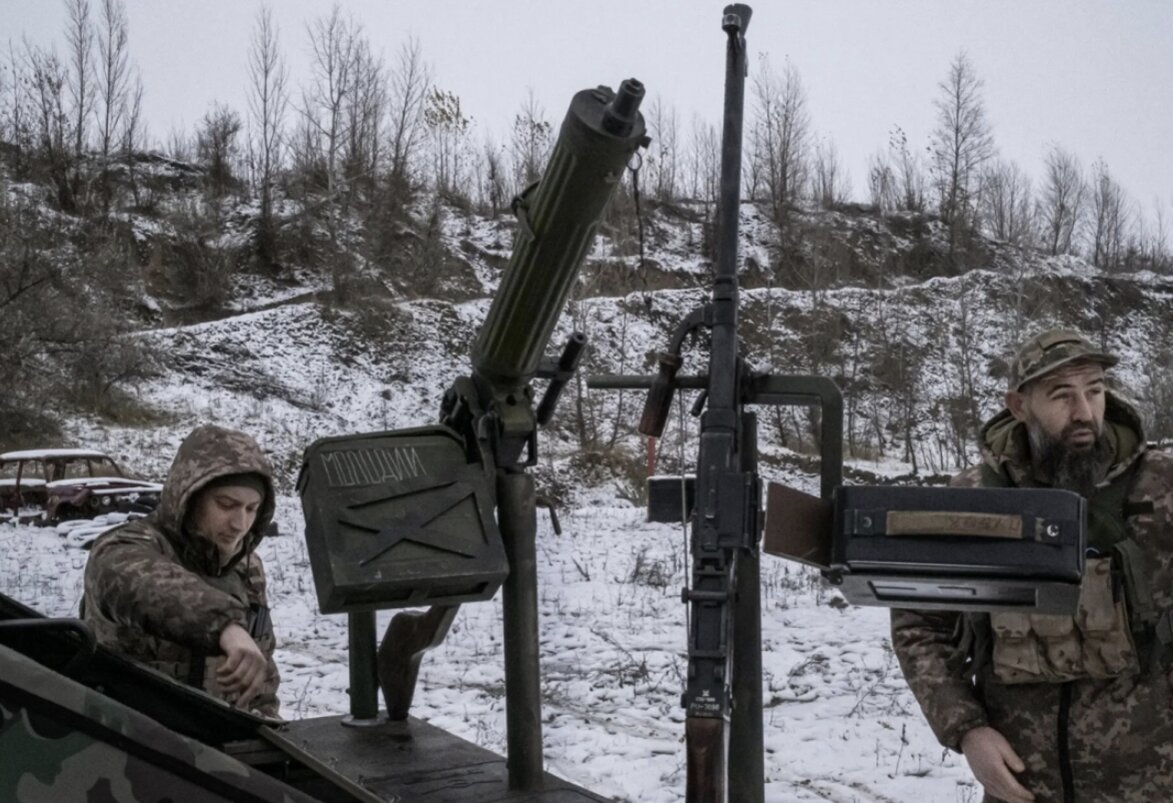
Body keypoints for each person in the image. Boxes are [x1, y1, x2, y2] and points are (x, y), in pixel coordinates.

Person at [891, 328, 1173, 803]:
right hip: (1023, 784)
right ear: (1019, 406)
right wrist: (967, 730)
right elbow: (919, 621)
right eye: (1062, 395)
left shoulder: (1161, 487)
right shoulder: (974, 499)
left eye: (1094, 391)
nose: (1083, 412)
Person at [82, 424, 281, 718]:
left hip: (217, 736)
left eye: (252, 509)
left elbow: (261, 680)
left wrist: (267, 724)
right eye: (226, 505)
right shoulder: (122, 547)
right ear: (190, 498)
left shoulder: (247, 569)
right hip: (124, 733)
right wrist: (225, 626)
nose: (240, 524)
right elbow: (138, 580)